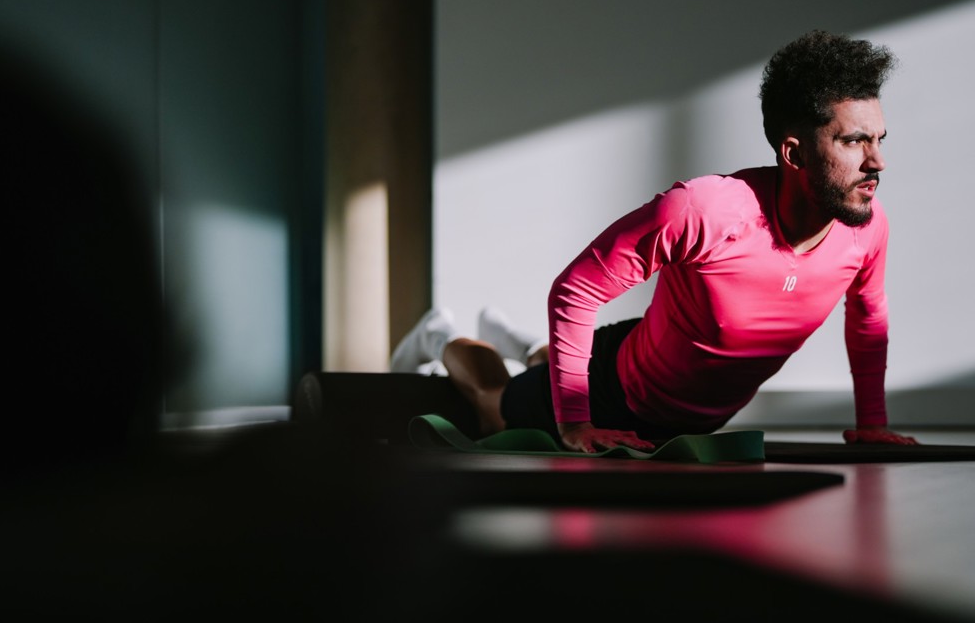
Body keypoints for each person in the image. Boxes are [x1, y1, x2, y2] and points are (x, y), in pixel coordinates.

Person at [390, 29, 920, 454]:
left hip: (676, 389)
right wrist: (576, 422)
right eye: (853, 141)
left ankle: (524, 346)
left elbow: (868, 319)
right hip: (617, 390)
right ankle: (437, 339)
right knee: (489, 405)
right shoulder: (706, 210)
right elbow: (575, 291)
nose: (877, 163)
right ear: (794, 153)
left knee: (549, 364)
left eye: (878, 139)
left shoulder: (867, 229)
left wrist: (872, 424)